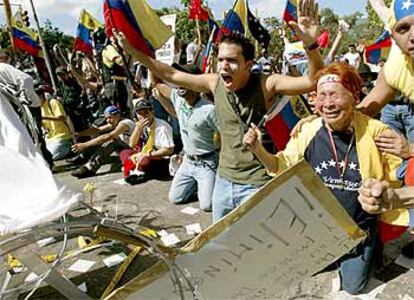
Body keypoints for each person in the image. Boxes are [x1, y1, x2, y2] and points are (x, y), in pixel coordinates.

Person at [112, 0, 323, 222]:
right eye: (220, 59)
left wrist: (310, 45)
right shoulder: (214, 83)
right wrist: (132, 52)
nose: (223, 66)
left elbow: (311, 81)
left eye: (232, 60)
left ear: (248, 65)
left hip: (257, 183)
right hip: (223, 181)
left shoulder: (266, 84)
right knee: (221, 245)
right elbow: (171, 75)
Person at [243, 62, 402, 294]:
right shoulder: (308, 130)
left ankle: (373, 246)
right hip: (319, 229)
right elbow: (280, 167)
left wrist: (382, 188)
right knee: (296, 269)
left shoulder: (377, 132)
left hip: (358, 228)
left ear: (355, 96)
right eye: (321, 96)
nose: (327, 104)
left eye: (335, 96)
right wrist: (258, 149)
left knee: (354, 287)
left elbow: (398, 178)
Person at [153, 63, 220, 211]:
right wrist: (149, 57)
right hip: (188, 162)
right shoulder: (177, 97)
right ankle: (200, 186)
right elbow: (157, 84)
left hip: (207, 163)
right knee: (175, 198)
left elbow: (226, 134)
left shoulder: (209, 110)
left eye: (185, 80)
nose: (180, 84)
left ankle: (211, 182)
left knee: (207, 205)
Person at [0, 50, 53, 167]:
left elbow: (26, 79)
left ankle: (44, 164)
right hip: (18, 109)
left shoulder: (2, 68)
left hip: (28, 107)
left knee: (33, 136)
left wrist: (24, 99)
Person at [71, 106, 135, 178]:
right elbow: (97, 130)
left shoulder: (125, 123)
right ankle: (88, 161)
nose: (107, 120)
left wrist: (85, 144)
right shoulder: (115, 122)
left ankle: (90, 167)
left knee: (111, 141)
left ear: (118, 115)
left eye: (110, 117)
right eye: (106, 118)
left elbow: (109, 136)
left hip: (134, 150)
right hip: (124, 150)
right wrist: (80, 134)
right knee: (98, 142)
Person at [120, 100, 174, 184]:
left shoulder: (162, 127)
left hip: (159, 158)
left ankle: (138, 171)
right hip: (144, 153)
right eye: (140, 114)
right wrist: (137, 130)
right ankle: (137, 169)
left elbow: (169, 150)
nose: (143, 117)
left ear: (152, 112)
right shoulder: (141, 126)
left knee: (145, 162)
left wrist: (147, 154)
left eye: (146, 113)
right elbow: (132, 144)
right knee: (124, 153)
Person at [35, 83, 73, 160]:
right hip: (50, 138)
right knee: (43, 157)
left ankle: (69, 149)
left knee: (52, 156)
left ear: (41, 95)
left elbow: (62, 118)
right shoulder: (39, 108)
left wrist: (43, 117)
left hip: (62, 137)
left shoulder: (52, 102)